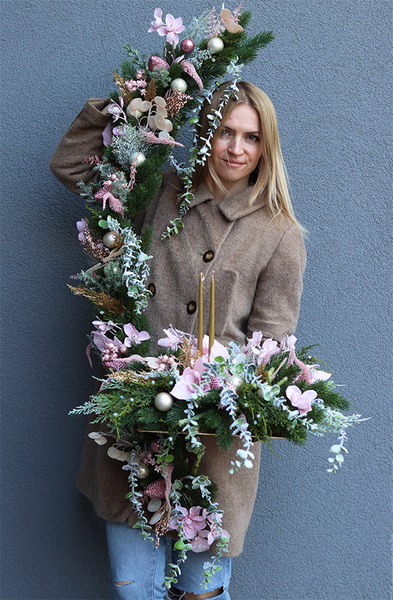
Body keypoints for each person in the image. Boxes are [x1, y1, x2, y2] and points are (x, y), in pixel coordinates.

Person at [50, 80, 306, 600]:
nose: (237, 148)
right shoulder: (160, 193)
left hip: (215, 446)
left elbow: (272, 344)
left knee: (201, 594)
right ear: (206, 133)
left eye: (252, 138)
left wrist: (227, 383)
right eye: (225, 132)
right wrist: (142, 97)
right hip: (132, 433)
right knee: (135, 590)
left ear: (266, 147)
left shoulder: (279, 233)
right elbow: (72, 166)